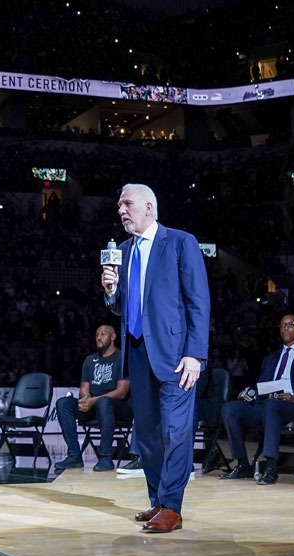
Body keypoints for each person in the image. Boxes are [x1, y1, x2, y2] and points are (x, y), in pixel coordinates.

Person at [101, 184, 210, 533]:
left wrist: (195, 353)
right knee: (147, 435)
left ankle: (172, 508)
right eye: (119, 205)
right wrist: (110, 291)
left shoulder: (180, 242)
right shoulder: (121, 250)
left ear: (149, 206)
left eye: (127, 204)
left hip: (177, 356)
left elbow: (198, 302)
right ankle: (157, 501)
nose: (121, 210)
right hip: (137, 354)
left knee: (177, 432)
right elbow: (122, 306)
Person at [219, 315, 294, 485]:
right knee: (230, 408)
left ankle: (271, 467)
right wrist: (250, 393)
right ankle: (242, 464)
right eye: (282, 325)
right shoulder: (271, 358)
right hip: (268, 404)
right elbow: (263, 386)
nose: (285, 328)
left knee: (272, 405)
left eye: (290, 324)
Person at [54, 325, 133, 473]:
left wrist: (93, 401)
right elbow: (84, 387)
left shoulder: (122, 358)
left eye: (103, 334)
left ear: (113, 337)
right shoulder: (90, 360)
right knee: (63, 403)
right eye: (96, 334)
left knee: (103, 402)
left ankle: (106, 458)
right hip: (94, 406)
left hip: (119, 407)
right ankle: (74, 455)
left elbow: (121, 392)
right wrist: (86, 400)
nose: (98, 338)